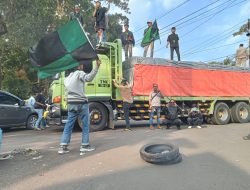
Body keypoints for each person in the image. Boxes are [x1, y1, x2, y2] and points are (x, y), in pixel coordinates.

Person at [58, 59, 101, 155]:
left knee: (69, 125)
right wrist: (97, 67)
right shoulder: (79, 73)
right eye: (81, 65)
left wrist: (68, 101)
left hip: (71, 103)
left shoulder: (67, 78)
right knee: (85, 125)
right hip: (81, 102)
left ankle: (63, 146)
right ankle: (85, 146)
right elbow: (89, 78)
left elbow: (66, 93)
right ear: (79, 66)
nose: (83, 66)